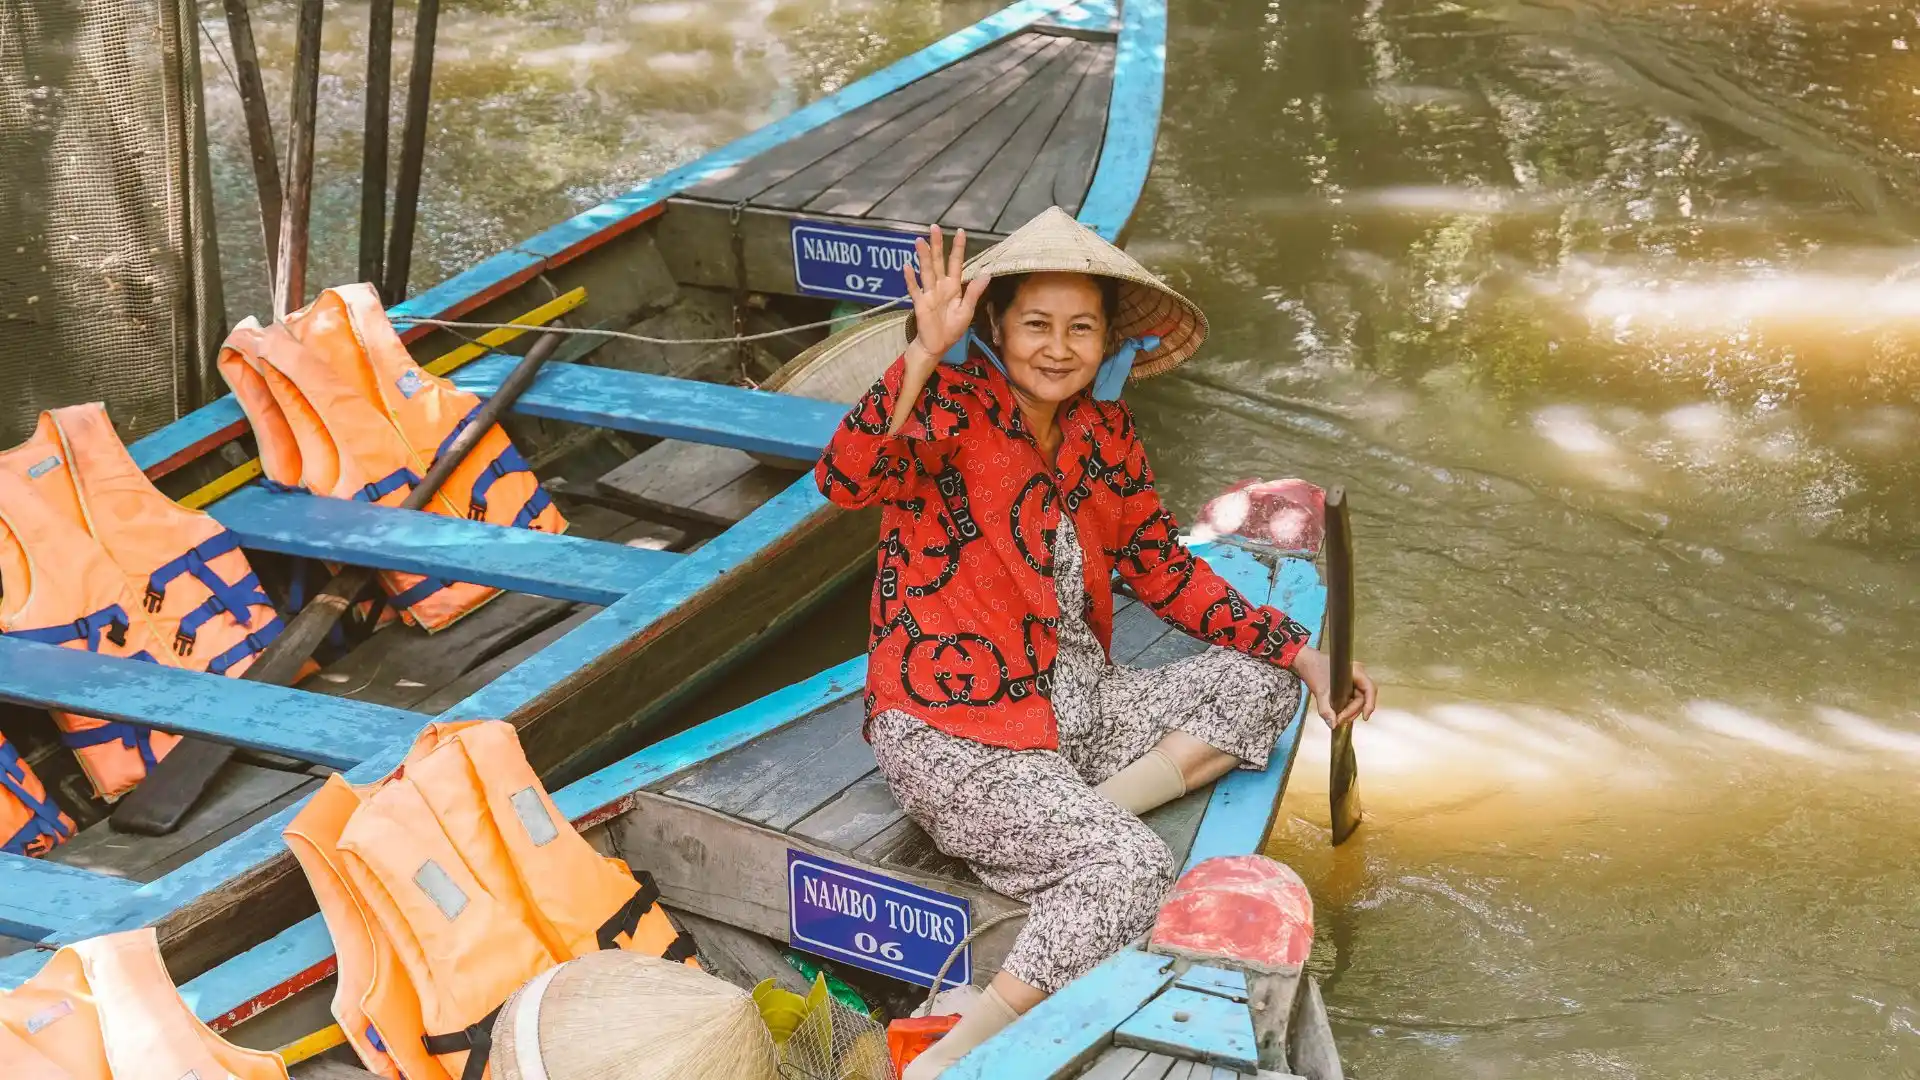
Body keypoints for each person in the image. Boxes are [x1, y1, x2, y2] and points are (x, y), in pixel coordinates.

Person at [812, 208, 1378, 1078]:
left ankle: (1080, 819)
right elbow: (844, 478)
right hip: (954, 732)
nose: (1058, 347)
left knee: (1263, 681)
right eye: (1035, 323)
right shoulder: (950, 411)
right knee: (1127, 873)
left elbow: (1164, 570)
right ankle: (947, 1063)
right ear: (995, 326)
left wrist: (1301, 652)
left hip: (1076, 709)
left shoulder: (1105, 437)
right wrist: (922, 352)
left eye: (1081, 328)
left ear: (1108, 340)